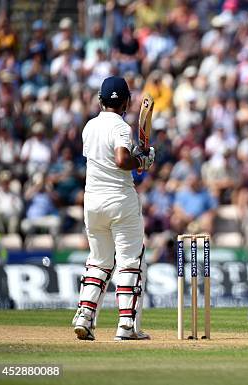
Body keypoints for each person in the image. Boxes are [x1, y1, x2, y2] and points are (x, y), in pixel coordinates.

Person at [72, 76, 155, 341]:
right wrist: (141, 160)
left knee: (99, 260)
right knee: (130, 261)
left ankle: (84, 316)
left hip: (92, 201)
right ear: (127, 102)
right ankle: (127, 326)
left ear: (100, 100)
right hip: (120, 199)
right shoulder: (120, 127)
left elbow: (103, 159)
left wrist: (137, 157)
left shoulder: (89, 126)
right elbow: (120, 160)